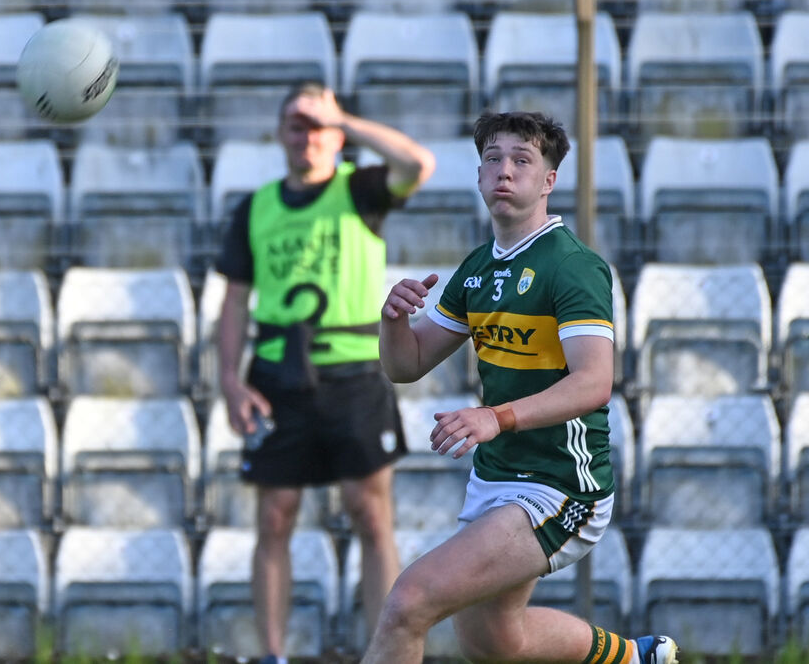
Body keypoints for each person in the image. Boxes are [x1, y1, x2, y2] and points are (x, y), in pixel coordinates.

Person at [364, 111, 676, 664]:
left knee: (408, 603)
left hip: (561, 482)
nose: (504, 171)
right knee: (494, 641)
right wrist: (392, 321)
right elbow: (406, 366)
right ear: (480, 176)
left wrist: (496, 417)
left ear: (548, 181)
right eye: (492, 159)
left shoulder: (572, 266)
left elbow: (593, 383)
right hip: (498, 479)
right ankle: (632, 658)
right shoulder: (479, 269)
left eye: (521, 160)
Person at [216, 81, 436, 663]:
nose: (306, 135)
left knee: (370, 514)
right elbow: (235, 301)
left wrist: (342, 118)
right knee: (275, 516)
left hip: (356, 374)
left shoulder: (359, 188)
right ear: (280, 133)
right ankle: (272, 654)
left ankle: (388, 651)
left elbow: (418, 162)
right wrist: (230, 381)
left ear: (338, 133)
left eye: (318, 124)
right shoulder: (255, 207)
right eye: (296, 122)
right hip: (277, 378)